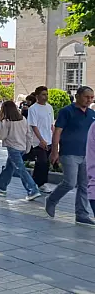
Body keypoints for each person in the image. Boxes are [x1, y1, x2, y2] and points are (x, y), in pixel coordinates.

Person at [45, 86, 95, 225]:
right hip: (69, 153)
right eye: (86, 97)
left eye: (91, 97)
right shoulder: (66, 111)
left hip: (87, 155)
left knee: (85, 185)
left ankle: (82, 214)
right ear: (78, 96)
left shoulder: (92, 114)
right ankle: (51, 200)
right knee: (70, 182)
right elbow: (57, 131)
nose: (89, 100)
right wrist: (55, 151)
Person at [0, 100, 41, 200]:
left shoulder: (6, 121)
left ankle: (32, 190)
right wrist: (28, 147)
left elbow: (2, 136)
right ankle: (1, 185)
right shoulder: (23, 119)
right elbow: (29, 134)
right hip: (22, 147)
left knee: (20, 169)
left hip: (12, 147)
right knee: (9, 167)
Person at [28, 86, 54, 192]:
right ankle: (39, 183)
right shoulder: (33, 109)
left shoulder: (49, 107)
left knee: (45, 163)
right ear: (37, 96)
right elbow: (34, 126)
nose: (45, 96)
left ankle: (36, 183)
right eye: (43, 94)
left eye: (46, 94)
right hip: (38, 141)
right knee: (42, 161)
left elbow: (51, 124)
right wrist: (41, 140)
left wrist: (54, 138)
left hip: (49, 139)